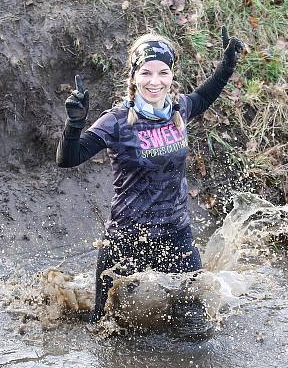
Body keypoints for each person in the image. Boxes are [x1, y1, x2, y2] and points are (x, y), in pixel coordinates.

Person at [56, 28, 244, 325]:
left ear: (171, 76)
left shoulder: (179, 108)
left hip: (176, 237)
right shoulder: (116, 121)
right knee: (104, 327)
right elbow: (68, 159)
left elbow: (207, 93)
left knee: (198, 324)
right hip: (127, 239)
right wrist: (74, 124)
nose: (154, 81)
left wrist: (228, 65)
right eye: (146, 73)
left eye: (163, 72)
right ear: (133, 77)